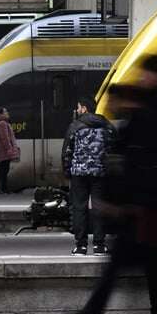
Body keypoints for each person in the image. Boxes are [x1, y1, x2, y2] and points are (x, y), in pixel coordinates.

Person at [70, 55, 157, 314]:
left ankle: (101, 312)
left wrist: (129, 200)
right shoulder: (155, 109)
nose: (141, 79)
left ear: (155, 75)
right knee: (154, 263)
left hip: (151, 202)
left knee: (142, 262)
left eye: (144, 74)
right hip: (146, 202)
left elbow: (152, 161)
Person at [62, 99, 114, 255]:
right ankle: (99, 245)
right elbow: (113, 147)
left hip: (79, 174)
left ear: (84, 108)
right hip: (100, 173)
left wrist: (67, 171)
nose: (77, 110)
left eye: (78, 107)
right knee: (99, 208)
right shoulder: (106, 125)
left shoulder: (75, 126)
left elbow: (67, 151)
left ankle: (81, 246)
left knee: (79, 208)